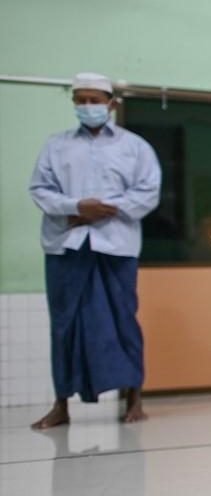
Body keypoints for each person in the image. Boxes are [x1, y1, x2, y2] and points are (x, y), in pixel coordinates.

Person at [28, 72, 161, 429]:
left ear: (111, 104)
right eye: (81, 100)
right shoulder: (56, 146)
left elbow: (148, 192)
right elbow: (40, 190)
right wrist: (75, 206)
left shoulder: (135, 147)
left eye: (94, 100)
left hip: (116, 247)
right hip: (66, 247)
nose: (88, 107)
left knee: (122, 320)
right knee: (64, 324)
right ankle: (61, 404)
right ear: (74, 103)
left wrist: (107, 209)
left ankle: (134, 398)